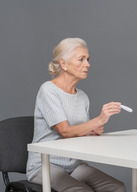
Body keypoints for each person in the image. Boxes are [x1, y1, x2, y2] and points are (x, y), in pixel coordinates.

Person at [26, 38, 126, 192]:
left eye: (88, 59)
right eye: (81, 59)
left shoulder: (82, 97)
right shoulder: (48, 90)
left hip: (74, 165)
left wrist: (92, 132)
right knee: (82, 191)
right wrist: (98, 119)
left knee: (117, 187)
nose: (87, 64)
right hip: (45, 164)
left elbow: (78, 133)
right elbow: (65, 131)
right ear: (63, 64)